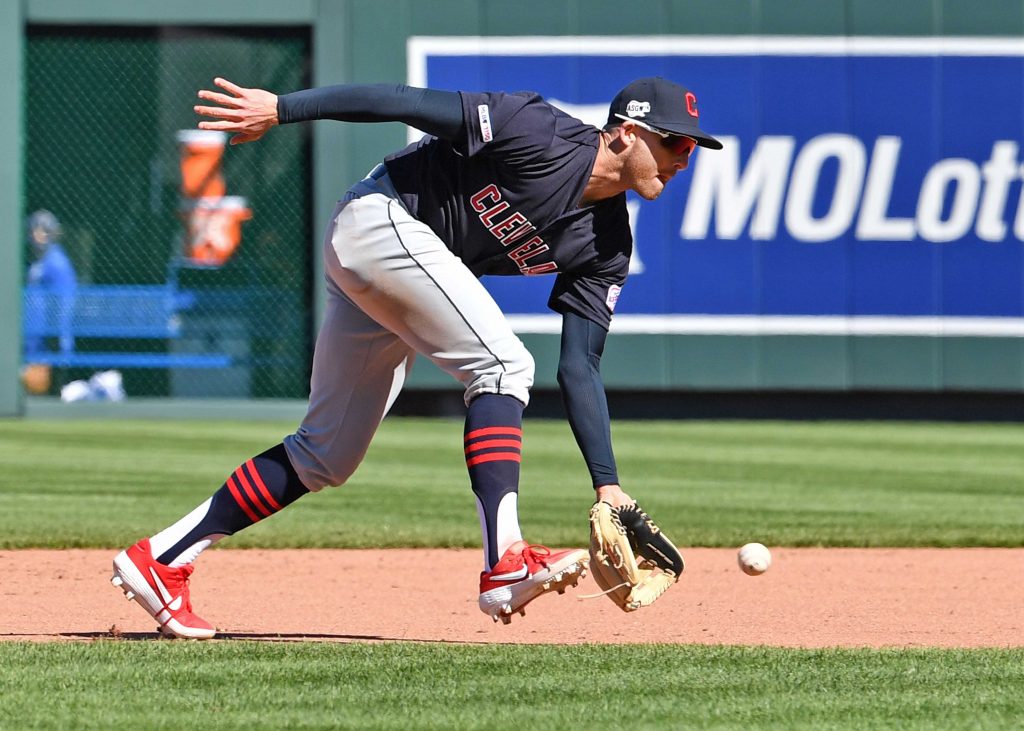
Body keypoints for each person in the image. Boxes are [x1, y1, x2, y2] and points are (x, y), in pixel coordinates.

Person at [110, 75, 722, 639]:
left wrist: (608, 486)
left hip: (404, 266)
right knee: (503, 367)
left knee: (325, 455)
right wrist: (282, 109)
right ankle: (504, 560)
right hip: (381, 218)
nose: (682, 160)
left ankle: (162, 559)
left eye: (690, 150)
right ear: (627, 131)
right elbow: (400, 101)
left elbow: (580, 366)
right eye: (675, 144)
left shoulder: (608, 242)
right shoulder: (538, 128)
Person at [22, 210, 78, 393]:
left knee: (40, 390)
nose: (38, 235)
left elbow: (63, 304)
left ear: (53, 233)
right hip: (34, 340)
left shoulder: (56, 263)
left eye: (45, 230)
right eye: (35, 230)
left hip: (48, 345)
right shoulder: (39, 261)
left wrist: (56, 340)